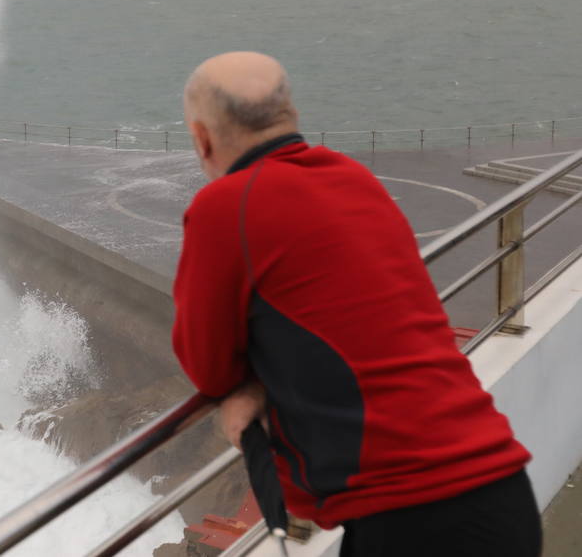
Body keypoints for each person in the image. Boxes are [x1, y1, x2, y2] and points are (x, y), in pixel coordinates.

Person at [171, 51, 541, 557]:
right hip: (499, 490)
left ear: (202, 137)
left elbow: (209, 367)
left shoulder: (225, 206)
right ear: (291, 117)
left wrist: (249, 388)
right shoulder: (353, 178)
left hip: (411, 518)